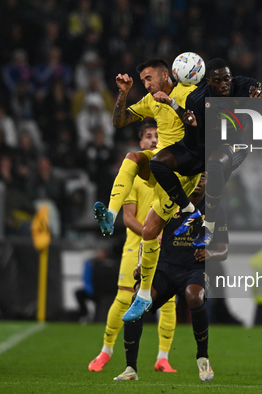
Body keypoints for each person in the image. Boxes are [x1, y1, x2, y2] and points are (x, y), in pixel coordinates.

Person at [93, 58, 201, 322]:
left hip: (182, 172)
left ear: (166, 75)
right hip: (160, 163)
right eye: (142, 80)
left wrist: (172, 104)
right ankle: (111, 214)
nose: (146, 84)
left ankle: (143, 296)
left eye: (149, 78)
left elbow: (199, 124)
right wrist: (123, 93)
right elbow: (120, 121)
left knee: (150, 231)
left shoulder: (188, 93)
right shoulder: (150, 99)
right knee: (132, 157)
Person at [149, 58, 262, 247]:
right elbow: (191, 142)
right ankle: (189, 210)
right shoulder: (196, 99)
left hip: (234, 145)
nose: (224, 84)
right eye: (218, 81)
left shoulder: (244, 85)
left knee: (214, 163)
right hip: (201, 147)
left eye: (227, 79)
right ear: (208, 82)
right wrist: (193, 126)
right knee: (157, 162)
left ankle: (208, 227)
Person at [114, 172, 228, 382]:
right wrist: (141, 265)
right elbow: (147, 235)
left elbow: (223, 250)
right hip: (165, 269)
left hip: (194, 270)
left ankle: (203, 358)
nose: (199, 181)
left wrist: (209, 253)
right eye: (195, 177)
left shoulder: (215, 209)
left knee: (194, 295)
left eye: (203, 177)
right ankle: (130, 368)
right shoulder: (169, 203)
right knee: (138, 297)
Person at [88, 123, 178, 373]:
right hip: (135, 246)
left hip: (163, 248)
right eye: (148, 137)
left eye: (157, 136)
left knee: (168, 302)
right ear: (141, 143)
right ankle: (106, 351)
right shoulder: (136, 175)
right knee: (125, 297)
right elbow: (128, 218)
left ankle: (163, 357)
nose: (153, 140)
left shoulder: (171, 172)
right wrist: (152, 234)